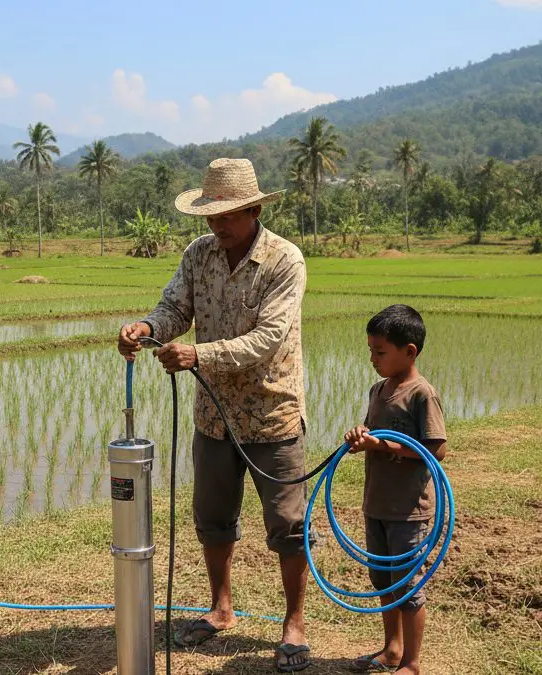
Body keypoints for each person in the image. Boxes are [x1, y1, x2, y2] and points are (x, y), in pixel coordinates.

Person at [118, 158, 314, 672]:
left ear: (252, 209)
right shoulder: (198, 255)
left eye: (226, 215)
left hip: (273, 415)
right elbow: (174, 310)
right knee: (212, 519)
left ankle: (294, 622)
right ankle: (220, 608)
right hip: (213, 416)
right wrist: (145, 327)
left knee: (289, 525)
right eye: (211, 215)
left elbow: (269, 339)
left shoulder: (284, 261)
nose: (216, 224)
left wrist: (199, 355)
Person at [345, 305, 447, 675]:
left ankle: (413, 663)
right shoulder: (378, 389)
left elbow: (435, 449)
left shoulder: (422, 394)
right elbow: (374, 434)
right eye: (370, 350)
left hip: (409, 511)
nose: (373, 358)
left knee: (408, 587)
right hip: (377, 505)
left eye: (380, 352)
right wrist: (360, 436)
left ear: (410, 352)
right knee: (384, 582)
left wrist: (381, 446)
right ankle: (391, 649)